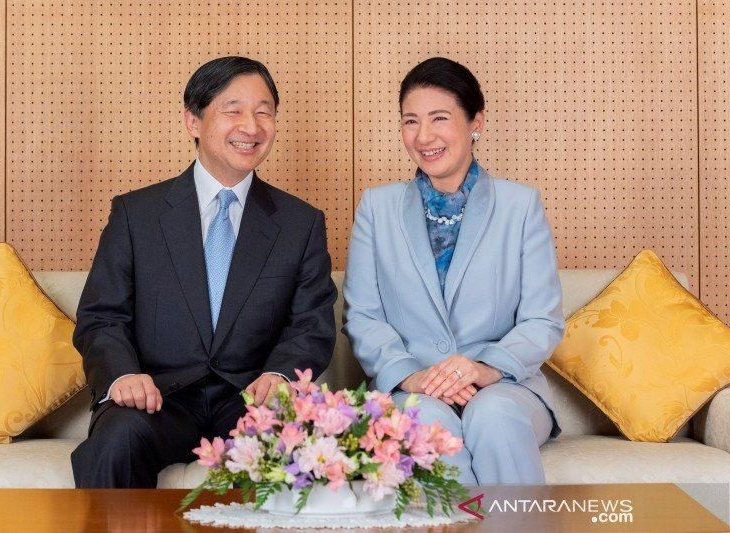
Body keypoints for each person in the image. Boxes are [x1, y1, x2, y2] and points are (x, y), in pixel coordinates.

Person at [71, 56, 337, 488]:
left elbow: (312, 322)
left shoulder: (300, 223)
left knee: (304, 448)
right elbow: (102, 315)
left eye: (263, 111)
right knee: (116, 440)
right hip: (159, 399)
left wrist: (281, 375)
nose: (251, 126)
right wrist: (122, 376)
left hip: (252, 400)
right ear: (193, 121)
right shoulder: (136, 214)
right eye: (233, 110)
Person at [342, 57, 564, 484]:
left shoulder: (521, 207)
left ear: (475, 121)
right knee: (426, 422)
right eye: (411, 121)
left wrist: (482, 369)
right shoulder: (377, 207)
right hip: (413, 387)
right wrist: (413, 375)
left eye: (439, 118)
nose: (423, 136)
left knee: (494, 414)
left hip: (506, 387)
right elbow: (364, 316)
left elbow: (542, 320)